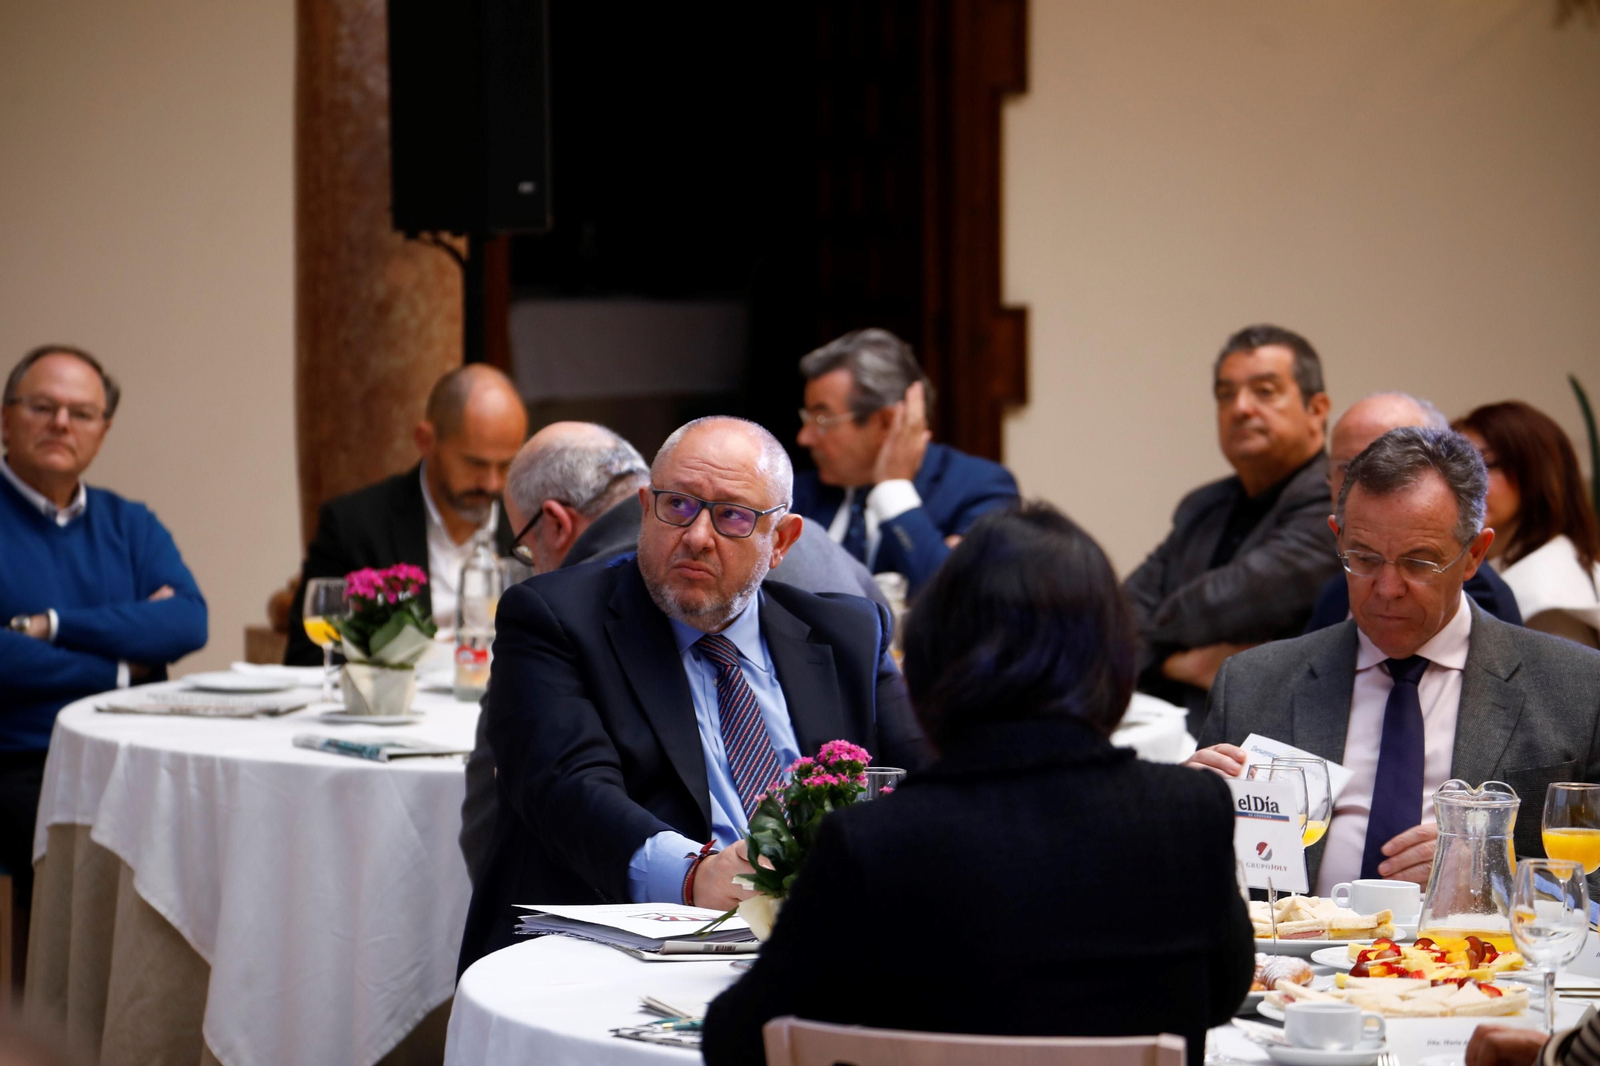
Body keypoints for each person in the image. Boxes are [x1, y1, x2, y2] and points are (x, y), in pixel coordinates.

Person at [701, 503, 1253, 1066]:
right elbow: (1223, 997)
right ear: (1111, 660)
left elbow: (736, 1037)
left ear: (934, 663)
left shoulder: (871, 842)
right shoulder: (1189, 813)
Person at [458, 416, 931, 971]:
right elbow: (567, 789)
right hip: (622, 956)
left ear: (780, 541)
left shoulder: (848, 634)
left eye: (732, 516)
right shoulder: (556, 618)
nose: (697, 536)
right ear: (645, 507)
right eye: (678, 505)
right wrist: (695, 875)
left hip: (826, 949)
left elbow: (926, 782)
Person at [1190, 427, 1600, 895]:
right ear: (1337, 538)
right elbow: (1194, 891)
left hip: (1486, 963)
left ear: (1474, 555)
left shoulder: (1579, 690)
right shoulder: (1251, 685)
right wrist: (1181, 819)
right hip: (1297, 964)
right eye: (1363, 558)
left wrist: (1496, 880)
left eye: (1419, 562)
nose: (1387, 588)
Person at [0, 345, 207, 918]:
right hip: (23, 760)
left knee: (218, 841)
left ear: (103, 430)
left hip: (134, 756)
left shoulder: (130, 523)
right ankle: (51, 1009)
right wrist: (118, 666)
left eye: (81, 413)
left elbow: (188, 620)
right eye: (43, 406)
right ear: (5, 417)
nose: (62, 423)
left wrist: (52, 627)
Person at [1124, 324, 1340, 726]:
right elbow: (1118, 614)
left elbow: (1228, 602)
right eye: (1226, 394)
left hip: (1273, 744)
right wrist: (1178, 663)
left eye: (1264, 391)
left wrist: (1145, 647)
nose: (1240, 407)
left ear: (1316, 409)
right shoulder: (1202, 505)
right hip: (1168, 725)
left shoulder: (1336, 501)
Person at [283, 365, 526, 665]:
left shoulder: (530, 524)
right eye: (475, 464)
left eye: (506, 466)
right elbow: (307, 657)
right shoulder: (356, 525)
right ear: (426, 441)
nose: (492, 484)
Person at [792, 328, 1018, 594]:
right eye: (807, 419)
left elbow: (961, 599)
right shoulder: (797, 494)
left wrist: (894, 489)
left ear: (887, 421)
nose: (804, 438)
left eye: (821, 420)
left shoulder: (980, 489)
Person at [1305, 392, 1521, 631]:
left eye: (1418, 562)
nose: (1371, 480)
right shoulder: (1334, 595)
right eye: (1347, 467)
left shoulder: (1481, 599)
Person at [1454, 401, 1600, 649]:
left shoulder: (1550, 593)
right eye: (1457, 465)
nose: (1466, 481)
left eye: (1487, 464)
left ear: (1538, 473)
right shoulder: (1501, 566)